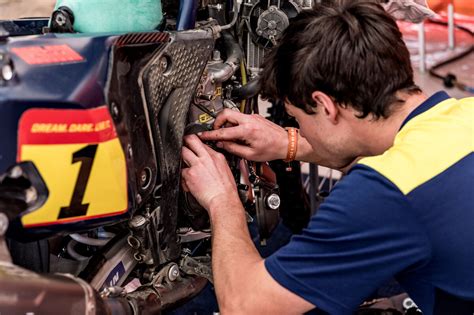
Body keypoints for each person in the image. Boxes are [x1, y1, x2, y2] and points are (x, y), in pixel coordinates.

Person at [180, 1, 474, 314]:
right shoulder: (463, 113)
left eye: (297, 119)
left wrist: (222, 200)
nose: (300, 129)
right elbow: (415, 166)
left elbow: (244, 305)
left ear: (326, 105)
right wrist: (288, 144)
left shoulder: (383, 195)